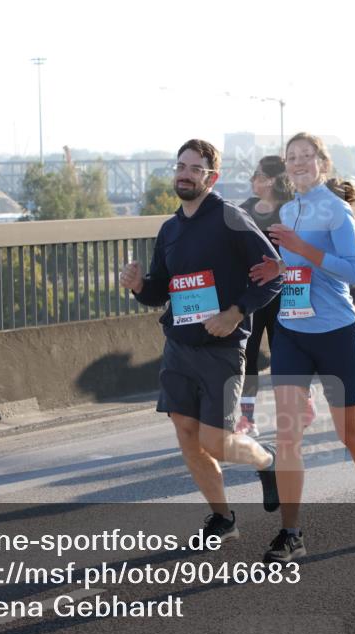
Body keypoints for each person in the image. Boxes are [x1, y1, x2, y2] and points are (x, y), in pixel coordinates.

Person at [121, 139, 283, 540]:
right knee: (188, 438)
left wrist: (235, 313)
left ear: (212, 177)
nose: (184, 173)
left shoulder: (231, 219)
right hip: (179, 347)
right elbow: (162, 290)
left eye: (195, 168)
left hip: (221, 349)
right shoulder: (170, 229)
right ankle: (222, 517)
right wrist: (140, 286)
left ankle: (267, 461)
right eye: (180, 166)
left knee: (217, 441)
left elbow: (274, 275)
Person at [248, 132, 355, 563]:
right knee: (287, 435)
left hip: (336, 333)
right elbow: (297, 266)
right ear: (286, 167)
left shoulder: (337, 210)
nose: (299, 162)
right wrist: (279, 264)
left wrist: (300, 248)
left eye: (307, 156)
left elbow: (354, 271)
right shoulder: (289, 209)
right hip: (292, 330)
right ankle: (291, 533)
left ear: (322, 164)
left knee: (349, 432)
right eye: (292, 157)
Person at [235, 156, 295, 438]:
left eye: (257, 175)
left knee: (286, 355)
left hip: (285, 293)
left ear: (270, 180)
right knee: (249, 355)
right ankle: (247, 418)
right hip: (253, 293)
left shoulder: (292, 210)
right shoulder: (244, 210)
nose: (252, 181)